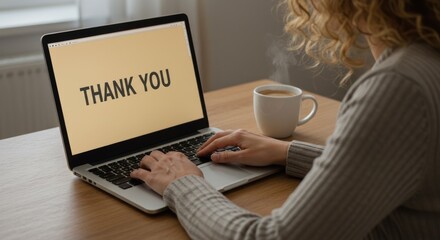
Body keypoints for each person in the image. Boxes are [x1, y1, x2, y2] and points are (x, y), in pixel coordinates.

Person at [131, 0, 440, 239]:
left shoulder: (397, 87)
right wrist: (288, 153)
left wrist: (183, 185)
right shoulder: (426, 57)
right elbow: (403, 165)